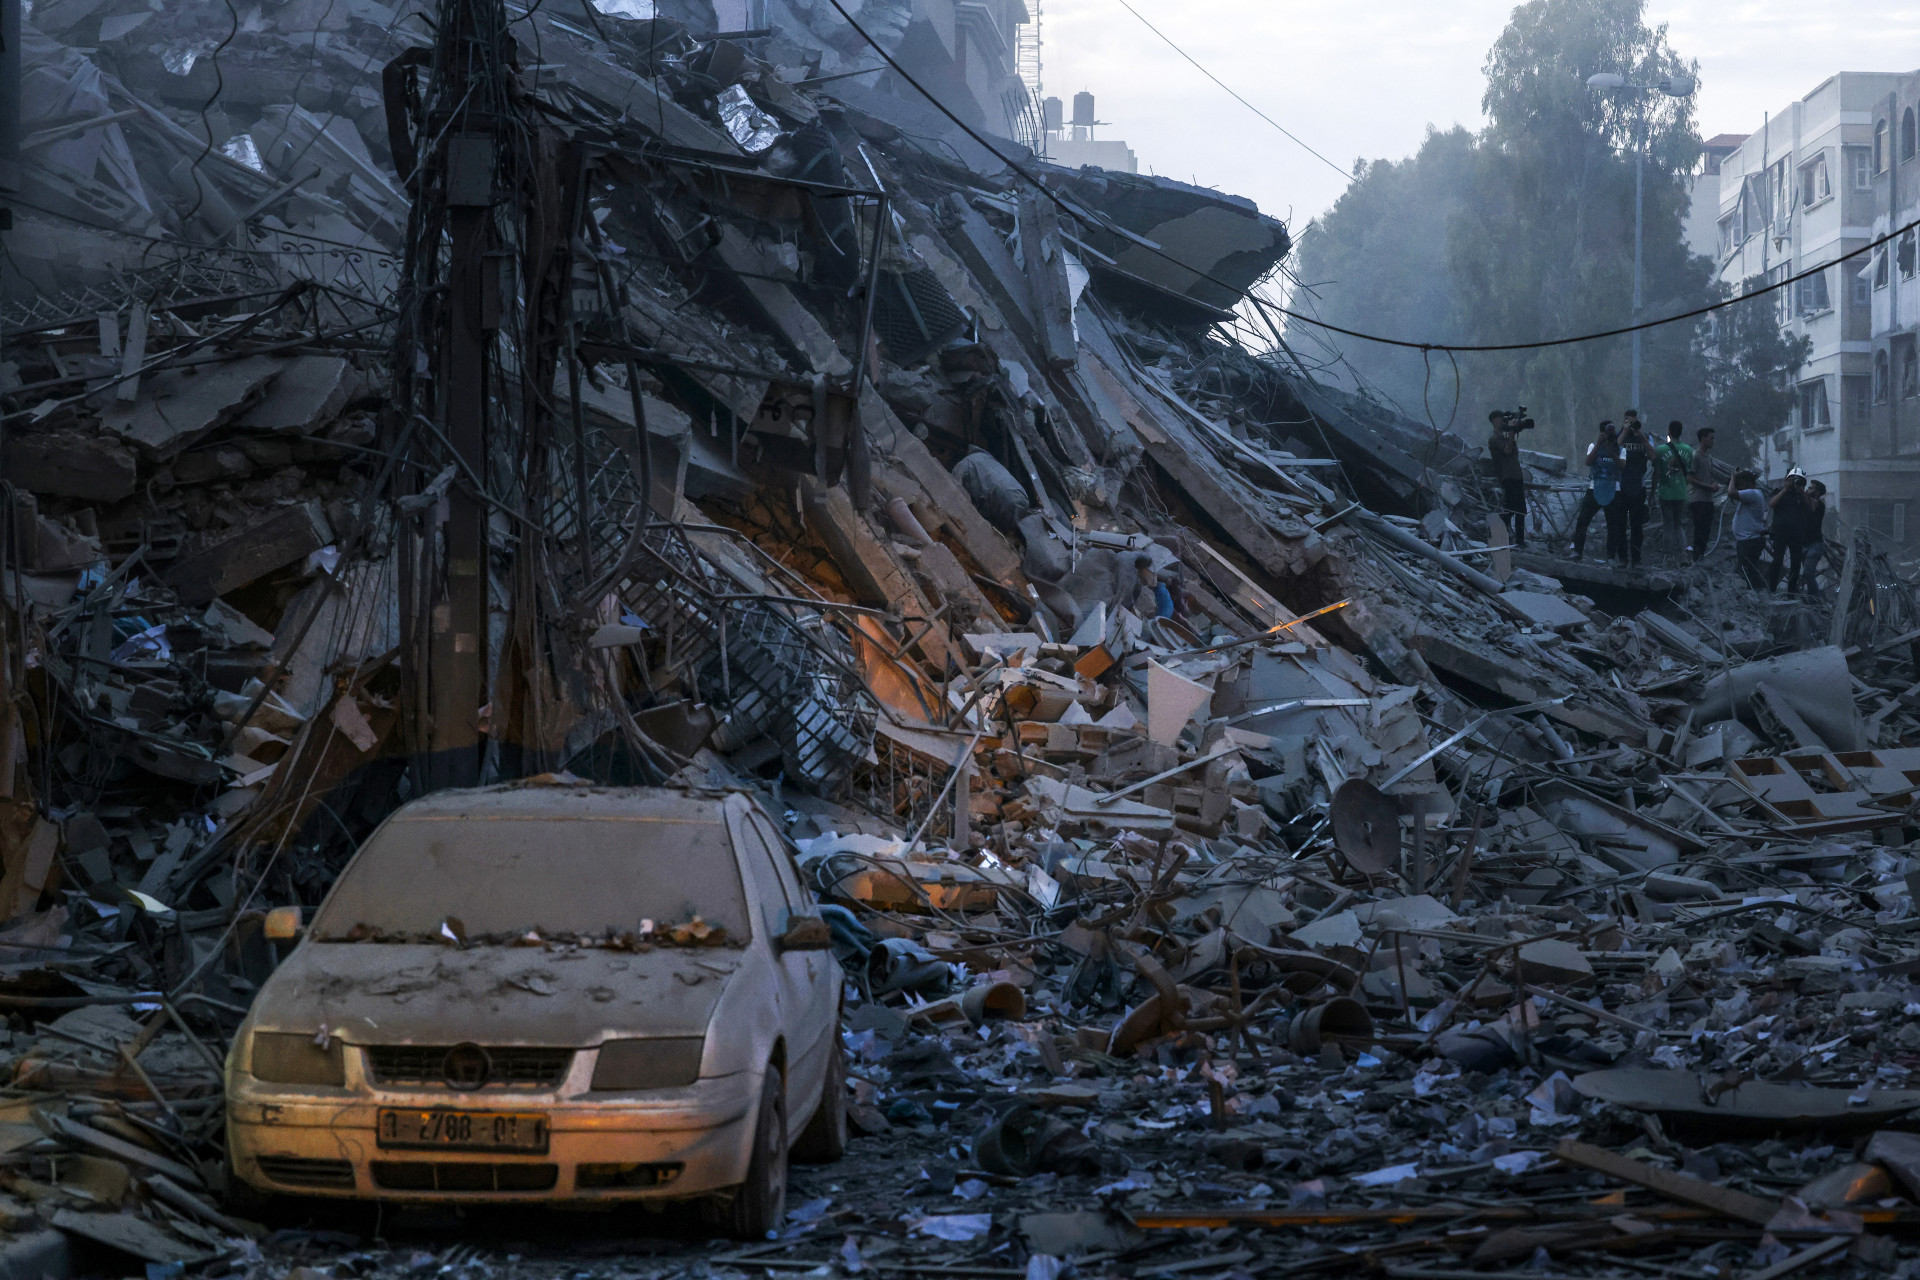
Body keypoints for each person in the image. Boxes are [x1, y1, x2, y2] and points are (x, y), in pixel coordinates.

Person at [1569, 421, 1622, 561]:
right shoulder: (1594, 446)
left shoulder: (1620, 449)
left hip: (1613, 489)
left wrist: (1612, 452)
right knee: (1583, 520)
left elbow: (1622, 466)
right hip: (1595, 488)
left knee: (1613, 524)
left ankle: (1611, 557)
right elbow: (1588, 462)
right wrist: (1599, 443)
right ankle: (1577, 551)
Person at [1652, 421, 1694, 563]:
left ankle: (1668, 556)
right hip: (1681, 493)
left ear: (1669, 432)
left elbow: (1657, 473)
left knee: (1668, 525)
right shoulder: (1688, 450)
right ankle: (1683, 554)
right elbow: (1691, 472)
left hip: (1665, 493)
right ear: (1681, 432)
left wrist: (1652, 492)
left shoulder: (1660, 450)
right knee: (1679, 525)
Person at [1766, 468, 1813, 593]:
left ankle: (1791, 592)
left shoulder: (1802, 496)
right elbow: (1771, 504)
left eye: (1800, 482)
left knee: (1796, 563)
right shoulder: (1780, 492)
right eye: (1796, 481)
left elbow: (1810, 509)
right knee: (1777, 560)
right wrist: (1785, 489)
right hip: (1780, 532)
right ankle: (1772, 589)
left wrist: (1803, 492)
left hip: (1797, 533)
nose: (1797, 484)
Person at [1486, 409, 1528, 548]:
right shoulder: (1494, 439)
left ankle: (1520, 541)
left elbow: (1514, 453)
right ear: (1494, 421)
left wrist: (1512, 432)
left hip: (1516, 475)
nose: (1502, 421)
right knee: (1510, 510)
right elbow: (1508, 450)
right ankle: (1497, 536)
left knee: (1521, 510)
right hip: (1507, 477)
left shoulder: (1504, 437)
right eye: (1499, 419)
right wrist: (1511, 431)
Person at [1727, 469, 1770, 588]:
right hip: (1747, 540)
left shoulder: (1753, 493)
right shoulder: (1751, 495)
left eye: (1741, 485)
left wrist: (1733, 477)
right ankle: (1756, 591)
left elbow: (1731, 493)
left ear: (1748, 483)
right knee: (1746, 570)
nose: (1739, 488)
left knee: (1746, 571)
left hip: (1749, 540)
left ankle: (1757, 592)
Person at [1617, 416, 1651, 566]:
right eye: (1629, 422)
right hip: (1621, 486)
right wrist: (1624, 431)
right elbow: (1613, 449)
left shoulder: (1645, 437)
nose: (1632, 425)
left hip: (1638, 487)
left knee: (1637, 526)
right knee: (1620, 524)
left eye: (1634, 422)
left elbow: (1653, 456)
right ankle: (1622, 558)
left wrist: (1642, 437)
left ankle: (1636, 559)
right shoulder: (1619, 435)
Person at [1687, 426, 1718, 561]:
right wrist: (1708, 486)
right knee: (1699, 529)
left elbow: (1710, 475)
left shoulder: (1709, 458)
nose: (1713, 441)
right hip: (1698, 499)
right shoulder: (1696, 456)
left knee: (1706, 529)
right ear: (1704, 439)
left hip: (1708, 499)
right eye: (1711, 438)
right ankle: (1697, 558)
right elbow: (1690, 478)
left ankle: (1701, 556)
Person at [1800, 480, 1830, 591]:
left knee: (1808, 573)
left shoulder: (1820, 505)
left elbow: (1813, 506)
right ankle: (1813, 597)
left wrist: (1802, 492)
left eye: (1811, 488)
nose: (1808, 490)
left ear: (1817, 492)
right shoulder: (1805, 503)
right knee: (1807, 575)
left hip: (1815, 545)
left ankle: (1815, 598)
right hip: (1804, 544)